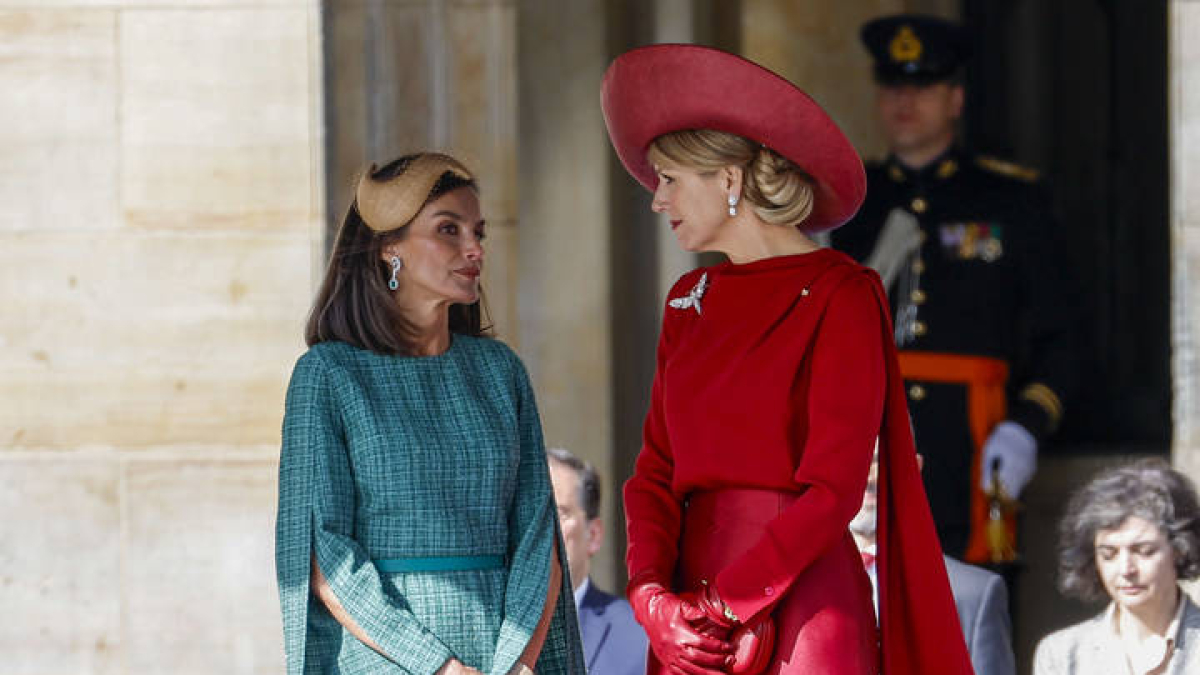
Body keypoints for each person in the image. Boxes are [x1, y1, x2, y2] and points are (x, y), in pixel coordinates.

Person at [601, 44, 972, 675]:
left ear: (728, 179)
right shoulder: (687, 299)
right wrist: (651, 599)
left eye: (670, 179)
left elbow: (832, 491)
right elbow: (653, 474)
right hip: (688, 621)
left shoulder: (843, 293)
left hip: (802, 612)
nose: (658, 200)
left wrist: (723, 605)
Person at [274, 153, 585, 675]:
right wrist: (440, 667)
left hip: (506, 652)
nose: (474, 249)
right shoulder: (329, 375)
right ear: (388, 247)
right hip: (386, 656)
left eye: (478, 232)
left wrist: (517, 663)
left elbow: (538, 535)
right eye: (448, 230)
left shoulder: (500, 371)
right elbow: (323, 553)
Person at [830, 14, 1080, 564]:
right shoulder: (848, 204)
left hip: (973, 446)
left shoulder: (1012, 200)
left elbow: (1062, 336)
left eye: (923, 87)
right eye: (893, 86)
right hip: (867, 448)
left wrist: (1026, 427)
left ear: (956, 99)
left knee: (973, 604)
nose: (905, 100)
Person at [851, 451, 1017, 675]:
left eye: (878, 462)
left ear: (913, 466)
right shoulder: (804, 585)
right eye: (852, 461)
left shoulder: (971, 595)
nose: (867, 476)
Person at [1033, 459, 1200, 675]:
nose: (1125, 569)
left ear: (1180, 550)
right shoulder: (1062, 654)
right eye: (1108, 554)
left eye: (1144, 551)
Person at [547, 447, 649, 675]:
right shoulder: (480, 630)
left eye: (559, 513)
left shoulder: (642, 637)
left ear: (593, 535)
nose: (541, 528)